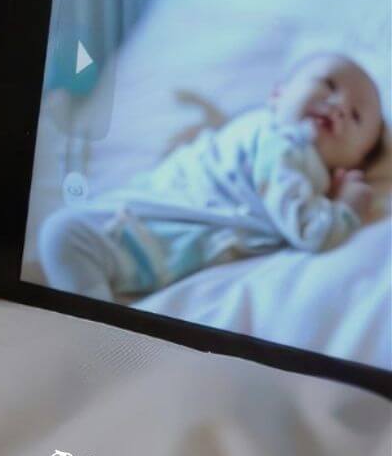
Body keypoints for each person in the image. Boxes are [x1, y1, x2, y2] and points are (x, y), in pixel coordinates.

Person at [39, 51, 382, 303]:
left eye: (355, 115)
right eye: (328, 84)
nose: (338, 105)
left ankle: (90, 327)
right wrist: (342, 205)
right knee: (66, 239)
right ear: (277, 94)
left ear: (355, 161)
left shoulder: (289, 152)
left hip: (154, 232)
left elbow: (309, 229)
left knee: (64, 235)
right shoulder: (276, 135)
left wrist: (345, 204)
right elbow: (306, 222)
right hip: (150, 216)